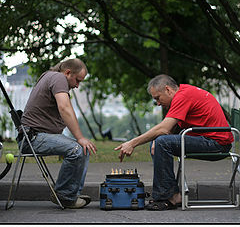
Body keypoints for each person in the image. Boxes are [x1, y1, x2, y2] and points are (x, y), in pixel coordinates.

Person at [115, 74, 233, 211]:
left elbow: (164, 128)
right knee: (159, 141)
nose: (158, 103)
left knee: (162, 142)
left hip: (217, 144)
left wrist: (132, 143)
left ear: (168, 90)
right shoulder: (183, 93)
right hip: (210, 139)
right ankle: (173, 194)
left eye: (157, 98)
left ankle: (167, 197)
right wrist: (157, 140)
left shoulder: (182, 96)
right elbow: (169, 128)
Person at [18, 58, 97, 209]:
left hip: (37, 136)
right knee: (76, 149)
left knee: (83, 149)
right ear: (68, 73)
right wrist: (80, 137)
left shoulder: (50, 76)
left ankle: (71, 194)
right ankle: (64, 196)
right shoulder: (59, 78)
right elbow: (65, 108)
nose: (77, 86)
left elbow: (65, 109)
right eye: (77, 80)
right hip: (33, 138)